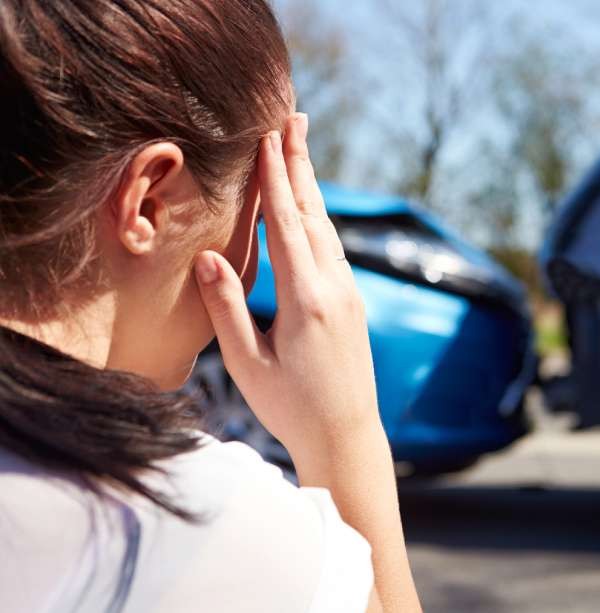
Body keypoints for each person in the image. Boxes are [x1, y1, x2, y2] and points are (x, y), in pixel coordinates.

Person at [0, 1, 422, 612]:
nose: (257, 266)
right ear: (149, 203)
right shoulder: (188, 525)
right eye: (259, 212)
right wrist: (345, 433)